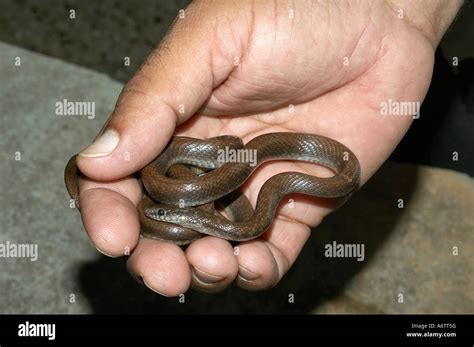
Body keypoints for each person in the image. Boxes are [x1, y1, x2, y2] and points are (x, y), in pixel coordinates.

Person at [74, 0, 463, 296]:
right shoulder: (221, 200)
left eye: (163, 208)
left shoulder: (225, 189)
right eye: (163, 209)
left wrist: (399, 16)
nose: (164, 210)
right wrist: (399, 16)